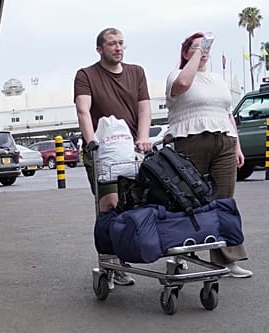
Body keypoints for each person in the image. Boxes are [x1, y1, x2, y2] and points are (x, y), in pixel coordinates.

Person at [165, 32, 252, 278]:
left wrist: (237, 145)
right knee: (187, 200)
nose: (204, 52)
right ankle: (179, 255)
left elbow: (227, 113)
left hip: (223, 140)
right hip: (190, 141)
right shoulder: (177, 76)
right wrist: (195, 57)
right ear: (185, 52)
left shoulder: (216, 79)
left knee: (224, 200)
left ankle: (228, 259)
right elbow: (182, 85)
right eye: (196, 47)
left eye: (206, 47)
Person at [74, 27, 151, 287]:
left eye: (120, 43)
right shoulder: (86, 75)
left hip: (130, 151)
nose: (117, 48)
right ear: (100, 49)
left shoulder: (136, 72)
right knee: (109, 206)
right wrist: (91, 142)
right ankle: (110, 262)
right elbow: (83, 110)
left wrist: (143, 137)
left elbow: (144, 109)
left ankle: (126, 254)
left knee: (133, 203)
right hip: (103, 152)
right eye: (111, 44)